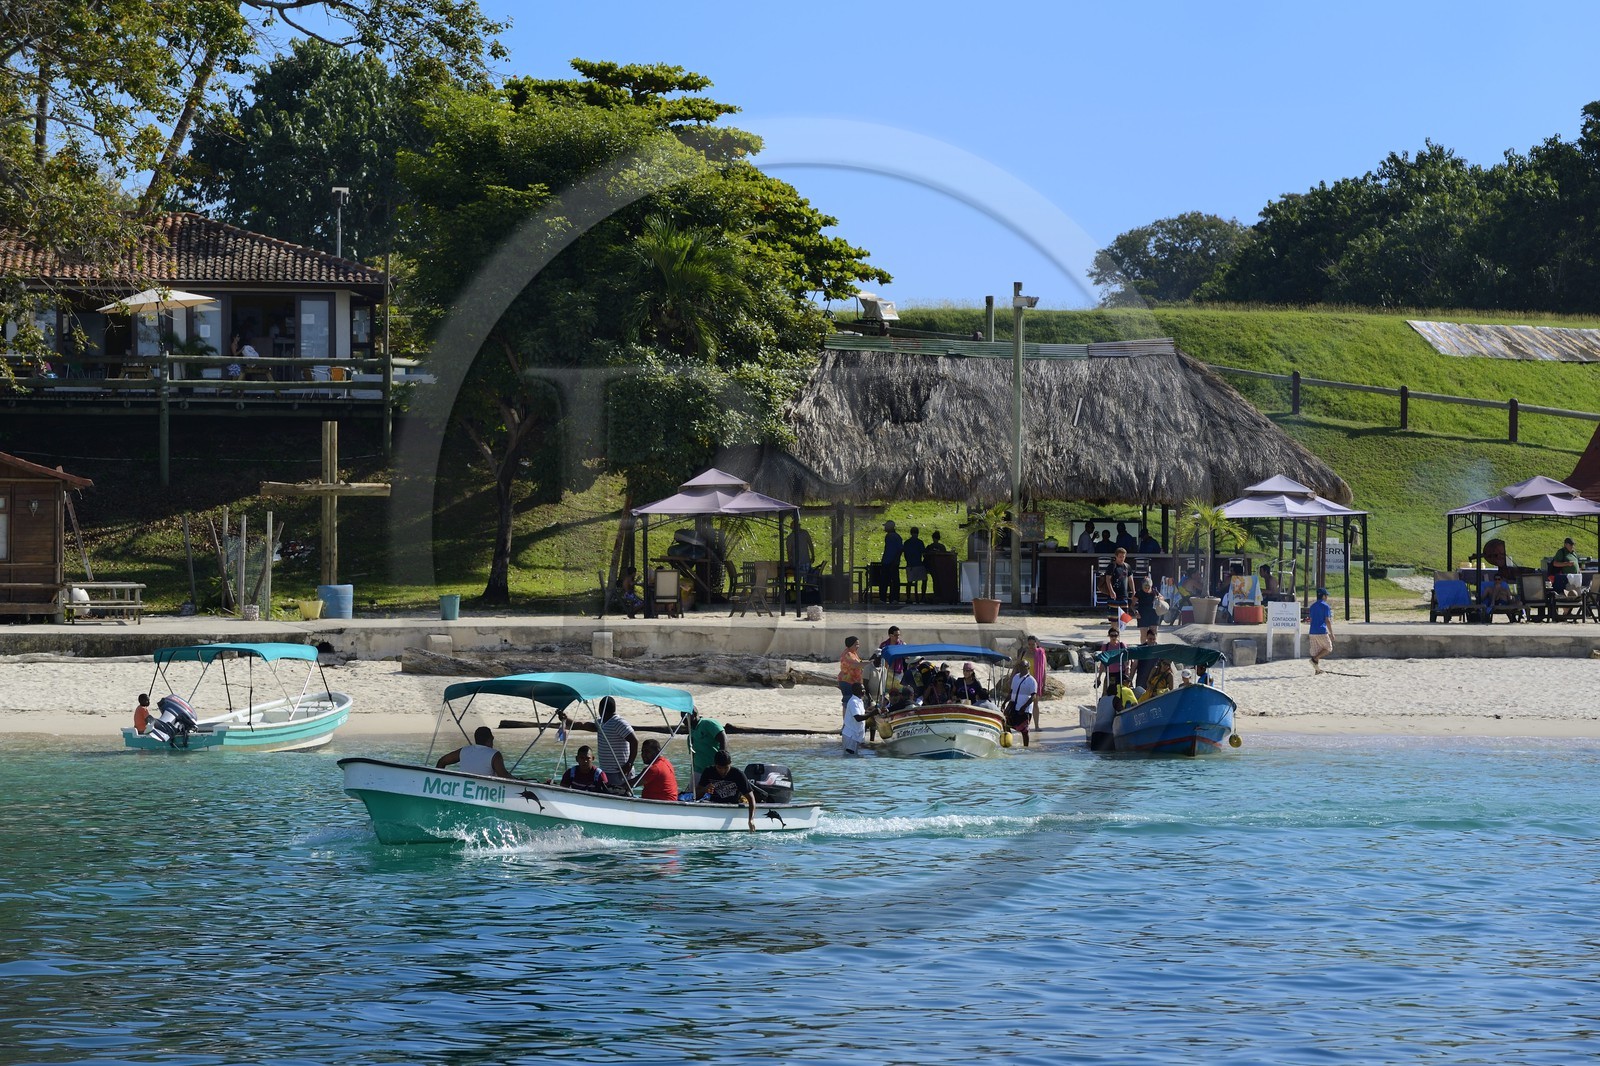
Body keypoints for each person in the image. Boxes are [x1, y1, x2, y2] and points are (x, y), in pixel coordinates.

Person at [696, 749, 756, 830]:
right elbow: (696, 796)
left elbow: (751, 799)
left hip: (733, 804)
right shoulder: (708, 772)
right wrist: (704, 789)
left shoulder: (738, 774)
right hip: (714, 805)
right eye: (719, 768)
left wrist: (751, 819)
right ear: (715, 765)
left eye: (726, 768)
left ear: (730, 764)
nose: (722, 771)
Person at [593, 695, 637, 793]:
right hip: (606, 771)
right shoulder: (601, 723)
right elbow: (584, 725)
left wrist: (629, 763)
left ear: (601, 709)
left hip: (620, 772)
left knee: (623, 797)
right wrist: (568, 721)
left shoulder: (619, 723)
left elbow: (634, 741)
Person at [436, 725, 512, 778]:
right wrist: (518, 780)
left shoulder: (464, 751)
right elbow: (504, 776)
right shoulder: (495, 755)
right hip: (484, 791)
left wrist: (438, 778)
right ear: (490, 739)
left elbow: (442, 761)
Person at [684, 709, 726, 778]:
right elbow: (693, 755)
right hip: (698, 770)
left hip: (714, 768)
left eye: (685, 718)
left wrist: (722, 762)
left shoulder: (708, 723)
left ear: (694, 715)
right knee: (693, 788)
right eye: (682, 718)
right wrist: (692, 773)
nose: (683, 721)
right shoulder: (691, 734)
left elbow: (723, 739)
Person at [1006, 659, 1037, 748]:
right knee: (1007, 724)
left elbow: (1033, 696)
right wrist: (1005, 703)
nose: (1021, 668)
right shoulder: (1016, 677)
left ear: (1028, 667)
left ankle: (1026, 747)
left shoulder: (1032, 681)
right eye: (1019, 666)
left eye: (1023, 667)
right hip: (1013, 705)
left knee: (1024, 730)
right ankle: (1009, 743)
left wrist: (1024, 707)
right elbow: (1011, 691)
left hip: (1025, 709)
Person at [1095, 625, 1128, 696]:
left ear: (1118, 636)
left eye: (1115, 635)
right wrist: (1099, 676)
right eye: (1111, 635)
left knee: (1122, 694)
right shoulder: (1105, 647)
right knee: (1107, 694)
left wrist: (1127, 672)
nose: (1113, 637)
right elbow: (1103, 663)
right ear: (1109, 636)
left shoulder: (1122, 646)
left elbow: (1126, 661)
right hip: (1110, 674)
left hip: (1121, 673)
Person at [1308, 587, 1334, 674]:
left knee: (1316, 650)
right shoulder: (1326, 606)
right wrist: (1331, 633)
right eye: (1326, 595)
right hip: (1321, 630)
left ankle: (1317, 670)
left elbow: (1311, 619)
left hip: (1312, 631)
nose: (1327, 597)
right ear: (1323, 596)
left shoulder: (1312, 606)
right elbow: (1327, 620)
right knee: (1328, 648)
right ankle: (1314, 659)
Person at [1025, 635, 1047, 729]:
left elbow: (1044, 669)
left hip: (1036, 682)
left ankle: (1037, 726)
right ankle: (1025, 725)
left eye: (1033, 644)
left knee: (1035, 704)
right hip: (1025, 681)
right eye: (1029, 644)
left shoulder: (1040, 653)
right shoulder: (1024, 653)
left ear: (1036, 644)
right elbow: (1018, 665)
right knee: (1025, 704)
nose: (1031, 646)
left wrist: (1043, 683)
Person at [1103, 547, 1132, 617]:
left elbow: (1131, 579)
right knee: (1114, 618)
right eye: (1120, 557)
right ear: (1116, 556)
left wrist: (1133, 591)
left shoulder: (1127, 566)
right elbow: (1108, 579)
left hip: (1124, 595)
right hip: (1114, 595)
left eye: (1123, 557)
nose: (1122, 558)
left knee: (1124, 618)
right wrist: (1111, 591)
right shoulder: (1112, 566)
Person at [879, 520, 903, 602]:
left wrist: (893, 560)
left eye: (886, 526)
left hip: (888, 562)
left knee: (884, 581)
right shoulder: (897, 536)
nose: (884, 527)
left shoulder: (890, 537)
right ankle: (894, 598)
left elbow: (898, 550)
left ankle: (883, 598)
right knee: (894, 581)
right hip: (892, 562)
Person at [841, 682, 868, 754]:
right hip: (850, 736)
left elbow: (861, 713)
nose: (864, 691)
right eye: (862, 689)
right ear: (855, 691)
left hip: (856, 736)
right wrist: (872, 714)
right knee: (849, 759)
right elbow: (858, 718)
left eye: (864, 689)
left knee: (853, 759)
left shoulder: (859, 701)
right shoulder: (853, 702)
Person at [902, 526, 927, 601]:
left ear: (911, 533)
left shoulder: (907, 542)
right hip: (918, 564)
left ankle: (908, 598)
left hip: (910, 565)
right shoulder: (920, 542)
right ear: (917, 533)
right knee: (924, 580)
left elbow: (905, 554)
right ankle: (922, 597)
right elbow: (924, 554)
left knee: (909, 582)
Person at [838, 635, 863, 707]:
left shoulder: (853, 653)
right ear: (851, 645)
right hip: (847, 682)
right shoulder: (848, 654)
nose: (858, 646)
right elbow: (856, 665)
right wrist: (870, 663)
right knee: (847, 702)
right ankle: (846, 718)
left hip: (853, 681)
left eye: (858, 644)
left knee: (852, 702)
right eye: (856, 644)